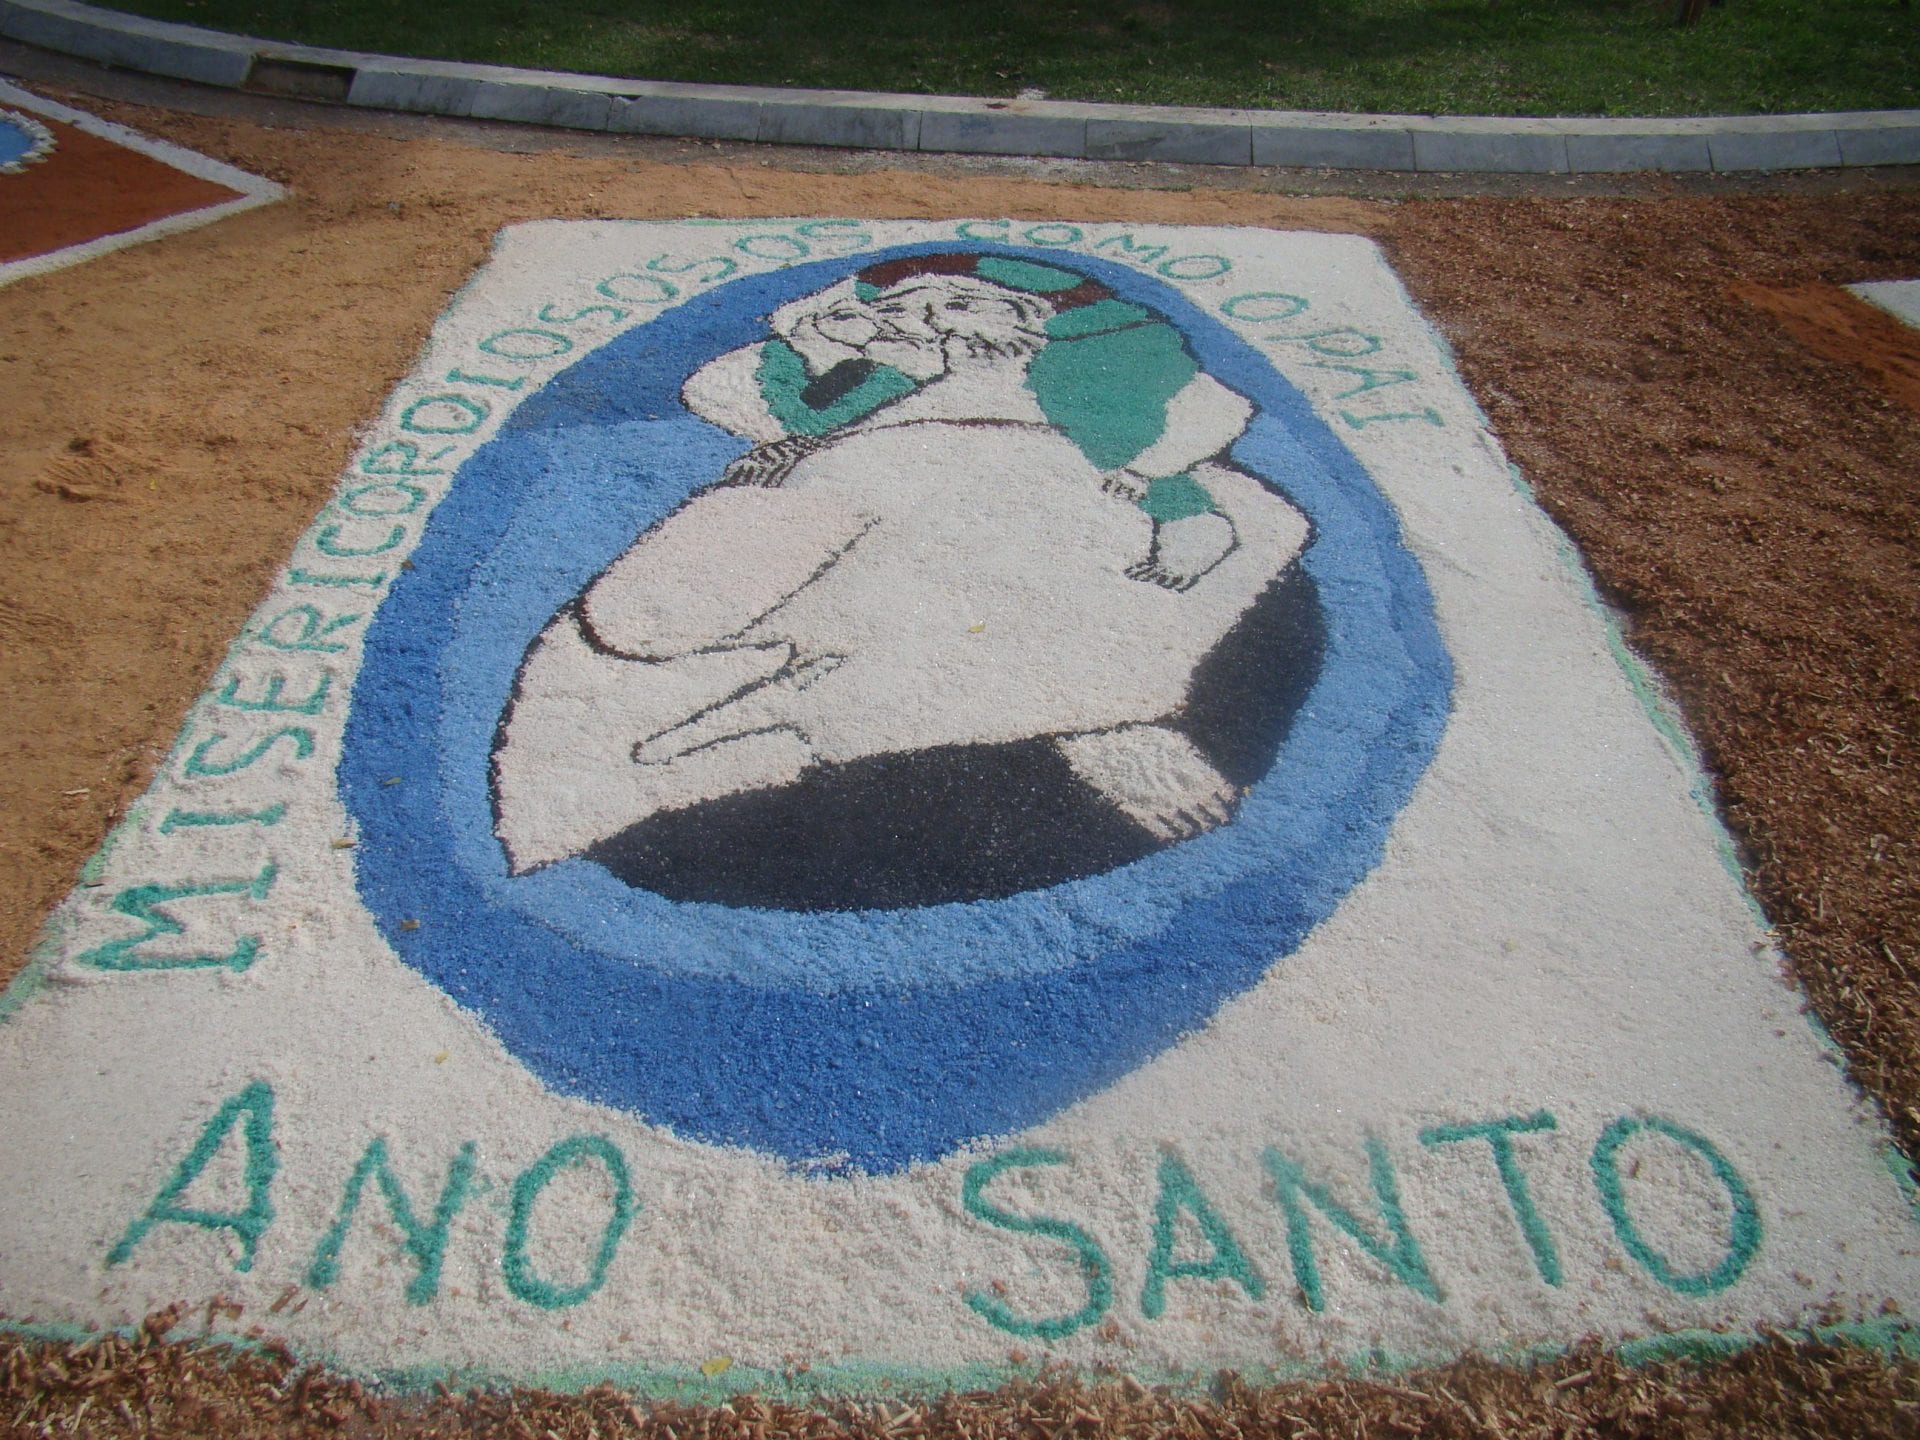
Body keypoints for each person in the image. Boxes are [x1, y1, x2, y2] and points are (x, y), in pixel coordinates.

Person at [492, 253, 1310, 878]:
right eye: (921, 314)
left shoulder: (1113, 410)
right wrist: (817, 360)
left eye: (959, 303)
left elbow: (1169, 446)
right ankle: (656, 770)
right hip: (889, 517)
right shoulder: (870, 419)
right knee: (737, 632)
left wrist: (1178, 505)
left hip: (1037, 537)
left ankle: (1097, 720)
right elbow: (749, 400)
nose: (943, 322)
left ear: (1028, 316)